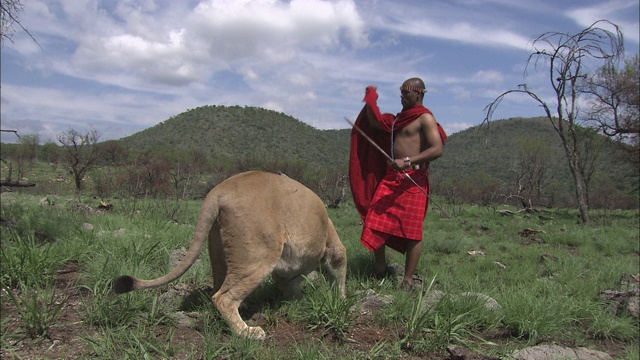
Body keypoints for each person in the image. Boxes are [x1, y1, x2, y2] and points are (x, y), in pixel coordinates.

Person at [349, 77, 447, 289]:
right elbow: (375, 122)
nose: (402, 96)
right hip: (391, 179)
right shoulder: (398, 120)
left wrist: (408, 161)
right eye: (401, 92)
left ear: (418, 93)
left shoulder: (425, 118)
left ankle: (408, 280)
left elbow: (437, 149)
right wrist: (370, 100)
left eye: (406, 93)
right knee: (374, 222)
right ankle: (381, 269)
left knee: (412, 232)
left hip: (414, 181)